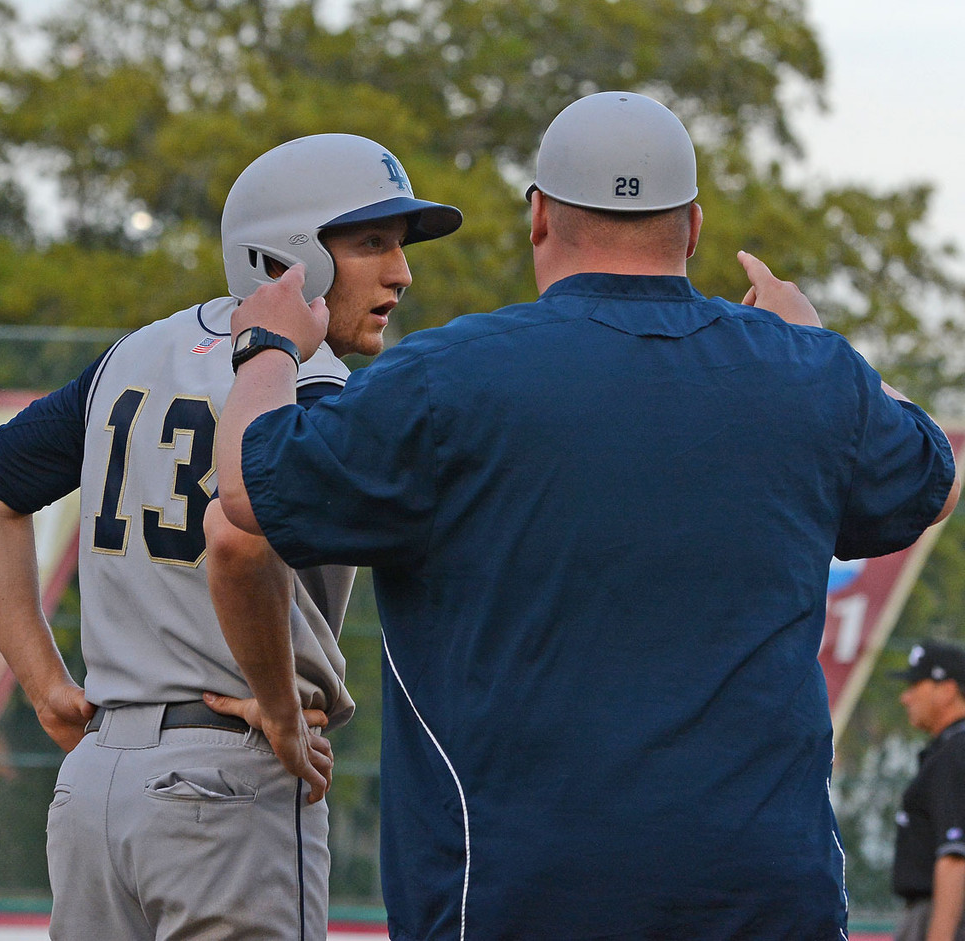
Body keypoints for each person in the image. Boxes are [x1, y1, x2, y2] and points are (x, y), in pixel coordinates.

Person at [213, 92, 960, 941]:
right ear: (694, 227)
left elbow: (245, 486)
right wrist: (820, 342)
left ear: (539, 218)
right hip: (761, 896)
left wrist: (266, 346)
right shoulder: (807, 375)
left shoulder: (447, 378)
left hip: (516, 893)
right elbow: (933, 478)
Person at [0, 133, 460, 940]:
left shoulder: (131, 358)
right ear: (290, 257)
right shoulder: (313, 392)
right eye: (370, 243)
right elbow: (239, 541)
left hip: (96, 786)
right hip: (233, 777)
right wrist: (284, 709)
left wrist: (46, 686)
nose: (401, 271)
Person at [891, 640, 965, 941]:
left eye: (914, 685)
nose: (904, 698)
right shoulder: (948, 748)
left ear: (946, 690)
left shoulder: (957, 750)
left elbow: (955, 856)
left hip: (944, 914)